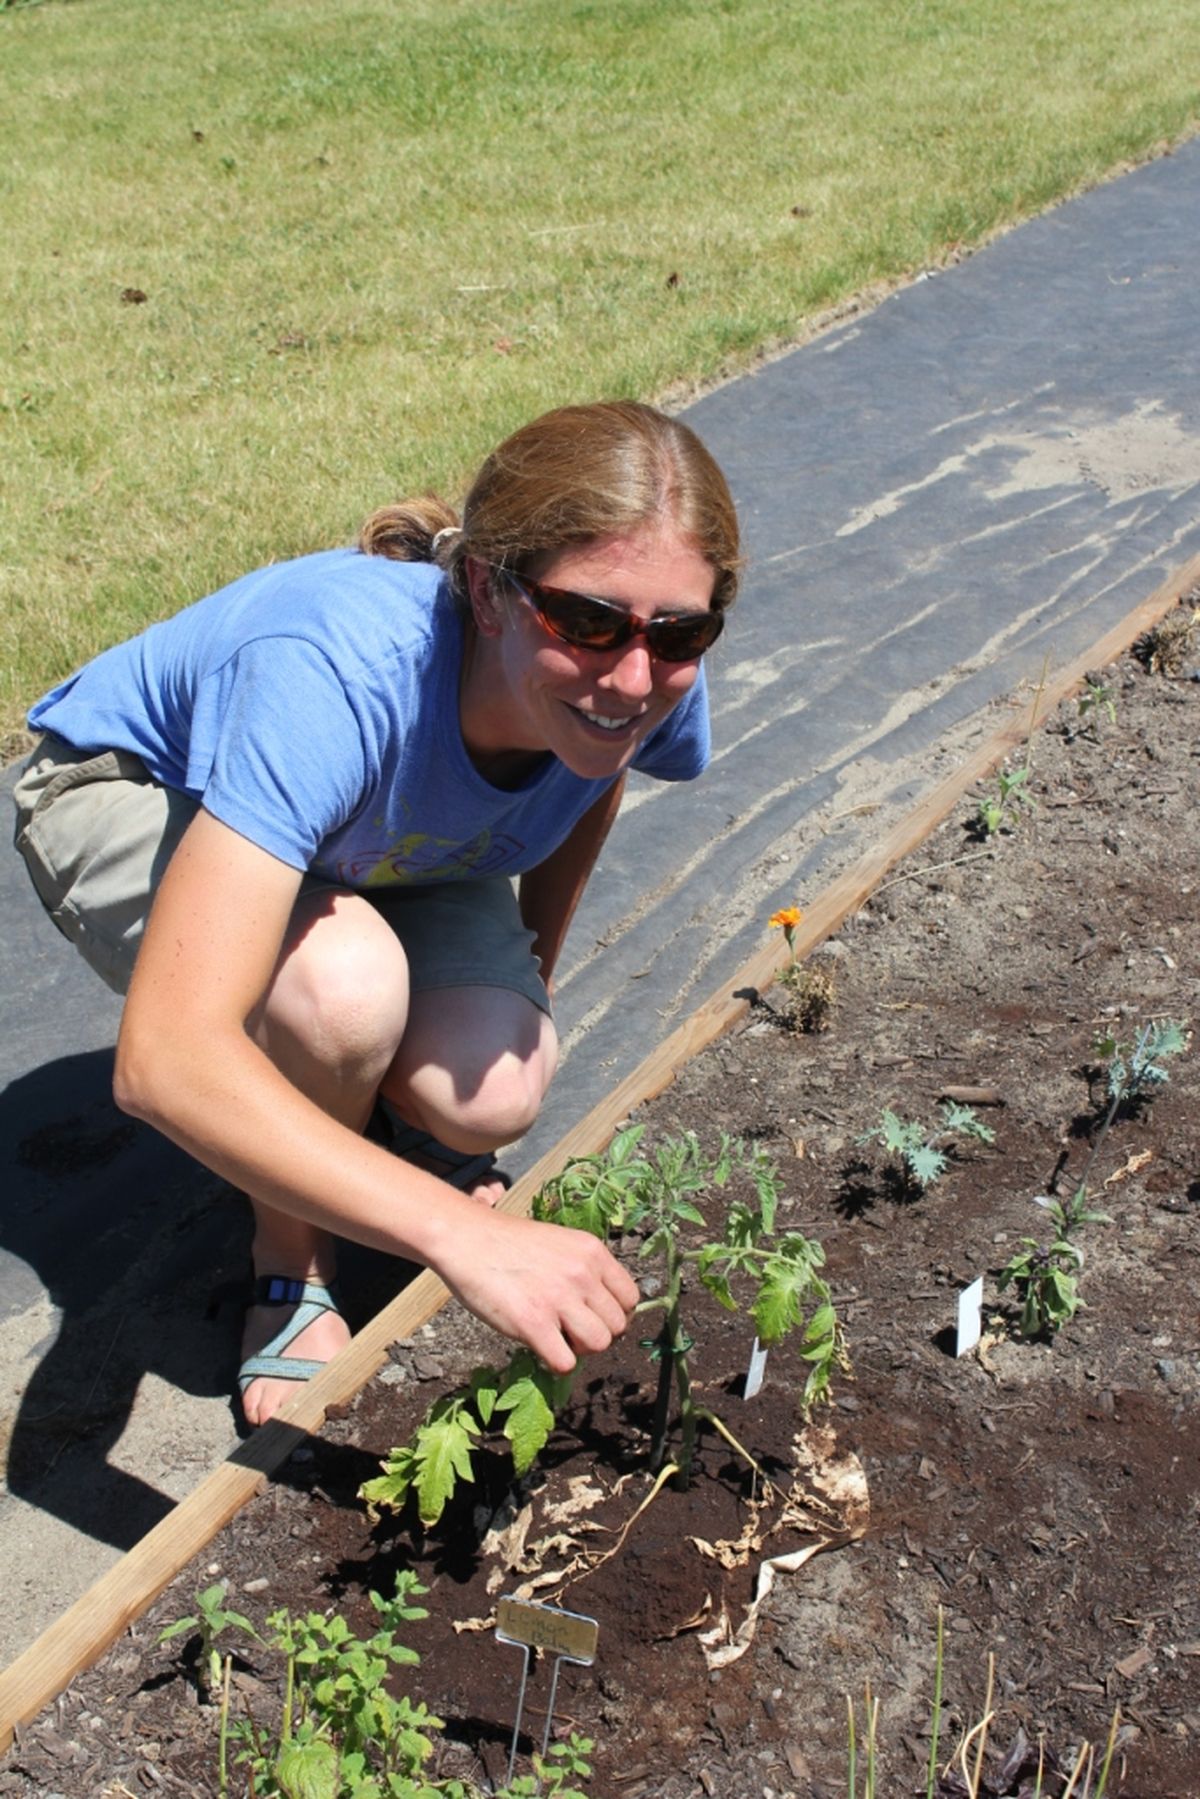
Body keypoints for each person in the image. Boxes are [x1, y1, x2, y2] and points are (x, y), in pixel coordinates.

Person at [13, 399, 741, 1427]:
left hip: (365, 833)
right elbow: (165, 1058)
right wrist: (460, 1232)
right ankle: (290, 1261)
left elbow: (595, 775)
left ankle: (369, 1126)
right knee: (339, 992)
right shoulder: (339, 675)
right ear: (489, 589)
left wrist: (527, 967)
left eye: (681, 631)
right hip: (138, 787)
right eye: (585, 621)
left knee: (495, 1081)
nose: (631, 675)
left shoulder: (643, 668)